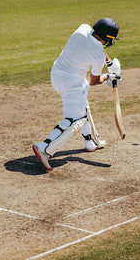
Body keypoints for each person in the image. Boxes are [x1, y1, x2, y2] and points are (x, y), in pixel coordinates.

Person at [32, 18, 122, 171]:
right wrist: (108, 77)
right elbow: (94, 80)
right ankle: (44, 147)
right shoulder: (97, 56)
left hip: (56, 74)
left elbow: (98, 47)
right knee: (76, 119)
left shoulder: (83, 28)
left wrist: (109, 63)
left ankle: (91, 142)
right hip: (72, 84)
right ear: (107, 38)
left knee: (83, 105)